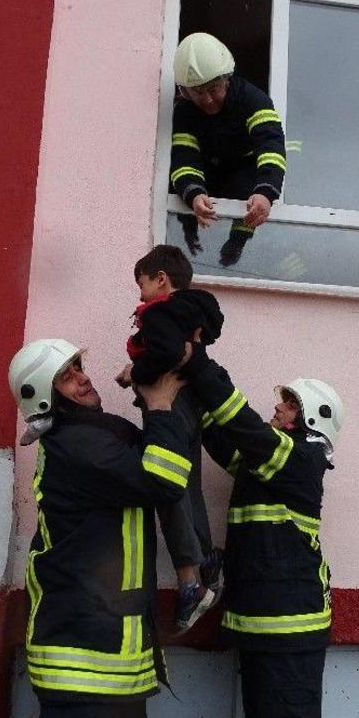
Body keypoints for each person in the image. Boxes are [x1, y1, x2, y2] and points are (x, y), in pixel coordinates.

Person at [8, 338, 195, 718]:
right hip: (86, 671)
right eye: (66, 376)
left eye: (78, 366)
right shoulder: (78, 445)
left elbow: (158, 451)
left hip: (103, 665)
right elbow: (164, 479)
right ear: (44, 397)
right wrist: (160, 404)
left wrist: (148, 392)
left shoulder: (90, 435)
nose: (83, 378)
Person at [180, 346, 344, 718]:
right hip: (263, 631)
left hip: (289, 637)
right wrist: (183, 388)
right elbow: (222, 436)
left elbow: (244, 427)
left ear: (308, 419)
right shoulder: (268, 464)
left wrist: (198, 362)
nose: (278, 408)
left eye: (288, 404)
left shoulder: (301, 461)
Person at [116, 244, 225, 632]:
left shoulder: (161, 314)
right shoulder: (195, 311)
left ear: (161, 279)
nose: (139, 293)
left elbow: (164, 353)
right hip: (192, 404)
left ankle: (191, 584)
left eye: (141, 284)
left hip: (170, 406)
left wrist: (134, 372)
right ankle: (208, 562)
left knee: (169, 489)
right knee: (189, 484)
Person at [170, 32, 287, 267]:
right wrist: (194, 195)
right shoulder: (184, 111)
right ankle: (189, 237)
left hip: (245, 170)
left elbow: (271, 145)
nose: (208, 100)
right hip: (208, 168)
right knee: (180, 186)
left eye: (213, 89)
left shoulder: (253, 99)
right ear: (184, 91)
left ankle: (238, 241)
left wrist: (266, 193)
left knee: (248, 184)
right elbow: (184, 157)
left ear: (227, 79)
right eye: (198, 92)